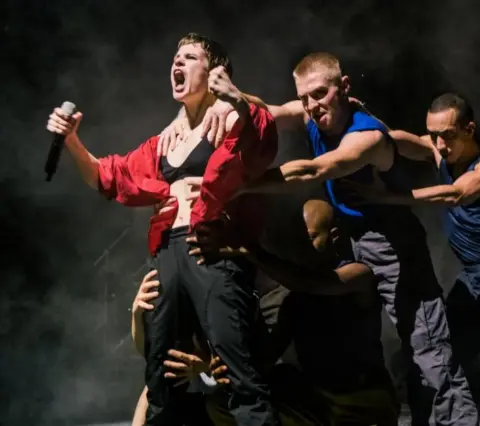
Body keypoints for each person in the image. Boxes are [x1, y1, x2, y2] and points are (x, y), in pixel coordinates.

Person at [164, 52, 478, 425]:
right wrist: (235, 97)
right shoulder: (312, 112)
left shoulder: (366, 137)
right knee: (310, 305)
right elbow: (272, 112)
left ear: (344, 88)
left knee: (428, 350)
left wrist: (234, 188)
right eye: (307, 97)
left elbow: (313, 170)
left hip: (392, 245)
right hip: (351, 237)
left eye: (321, 94)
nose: (313, 105)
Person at [45, 33, 279, 425]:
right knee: (161, 375)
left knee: (239, 374)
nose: (178, 63)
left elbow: (263, 137)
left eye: (189, 57)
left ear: (214, 71)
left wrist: (235, 97)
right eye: (175, 57)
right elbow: (110, 177)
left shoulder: (232, 117)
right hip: (167, 254)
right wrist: (71, 140)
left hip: (211, 252)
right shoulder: (163, 142)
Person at [344, 92, 480, 402]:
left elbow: (457, 194)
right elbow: (391, 140)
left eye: (447, 136)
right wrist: (361, 120)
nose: (438, 145)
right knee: (432, 359)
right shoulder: (440, 151)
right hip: (476, 289)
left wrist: (388, 198)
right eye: (432, 135)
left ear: (469, 129)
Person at [190, 199, 400, 426]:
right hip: (319, 403)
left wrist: (250, 251)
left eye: (309, 237)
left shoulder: (360, 276)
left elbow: (312, 283)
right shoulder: (292, 298)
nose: (301, 247)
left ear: (335, 235)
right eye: (298, 240)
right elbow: (263, 361)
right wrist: (218, 365)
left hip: (363, 400)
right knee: (226, 402)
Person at [130, 269, 230, 426]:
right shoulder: (177, 311)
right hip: (189, 395)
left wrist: (203, 367)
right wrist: (137, 314)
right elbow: (146, 350)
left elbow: (238, 367)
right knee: (153, 389)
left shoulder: (218, 304)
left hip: (222, 400)